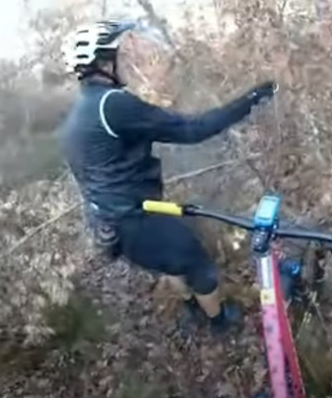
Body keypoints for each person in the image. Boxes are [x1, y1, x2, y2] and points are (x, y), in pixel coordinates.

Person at [59, 20, 276, 334]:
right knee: (198, 263)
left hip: (107, 225)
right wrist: (251, 99)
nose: (123, 63)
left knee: (169, 258)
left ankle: (191, 307)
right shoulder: (113, 105)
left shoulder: (77, 117)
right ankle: (219, 323)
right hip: (135, 221)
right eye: (118, 57)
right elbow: (192, 130)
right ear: (104, 63)